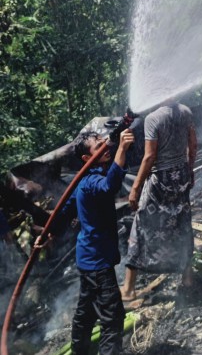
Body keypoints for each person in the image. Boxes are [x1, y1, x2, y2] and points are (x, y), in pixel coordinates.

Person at [54, 129, 134, 355]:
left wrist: (49, 232)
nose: (104, 145)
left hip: (87, 259)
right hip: (98, 263)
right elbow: (110, 186)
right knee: (112, 318)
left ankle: (80, 352)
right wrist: (122, 149)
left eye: (102, 140)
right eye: (98, 144)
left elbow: (65, 211)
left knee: (86, 312)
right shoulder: (91, 181)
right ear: (86, 159)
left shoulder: (82, 182)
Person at [120, 103, 197, 301]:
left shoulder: (153, 119)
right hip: (181, 174)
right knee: (182, 223)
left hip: (160, 179)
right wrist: (190, 169)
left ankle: (128, 289)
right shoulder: (186, 112)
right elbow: (193, 144)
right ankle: (188, 279)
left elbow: (149, 156)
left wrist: (135, 188)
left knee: (141, 223)